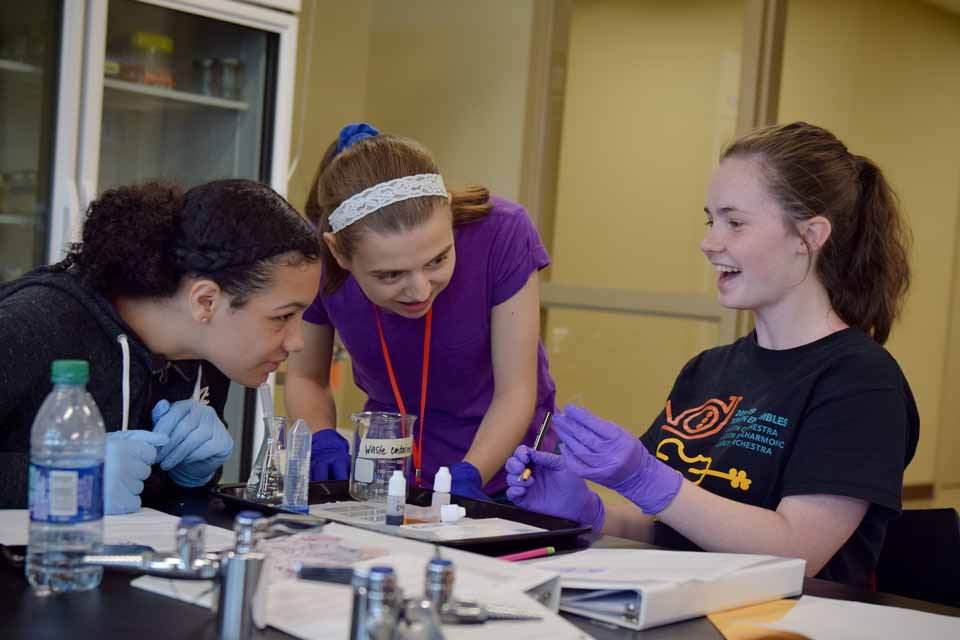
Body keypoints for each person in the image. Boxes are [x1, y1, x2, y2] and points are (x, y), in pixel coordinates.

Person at [506, 122, 919, 588]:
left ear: (809, 235)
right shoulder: (707, 370)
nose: (709, 242)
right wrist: (593, 513)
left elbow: (797, 553)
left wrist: (646, 479)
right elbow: (678, 530)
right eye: (711, 220)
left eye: (735, 222)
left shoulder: (861, 381)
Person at [0, 179, 322, 514]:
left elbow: (150, 494)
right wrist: (65, 479)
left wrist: (195, 476)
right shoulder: (37, 322)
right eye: (283, 316)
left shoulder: (205, 354)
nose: (297, 342)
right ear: (206, 301)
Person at [284, 123, 557, 500]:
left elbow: (516, 390)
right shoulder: (315, 261)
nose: (419, 289)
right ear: (338, 252)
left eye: (437, 260)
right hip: (388, 475)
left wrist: (470, 477)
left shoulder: (501, 233)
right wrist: (322, 439)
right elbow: (306, 378)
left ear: (449, 215)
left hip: (504, 473)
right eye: (390, 274)